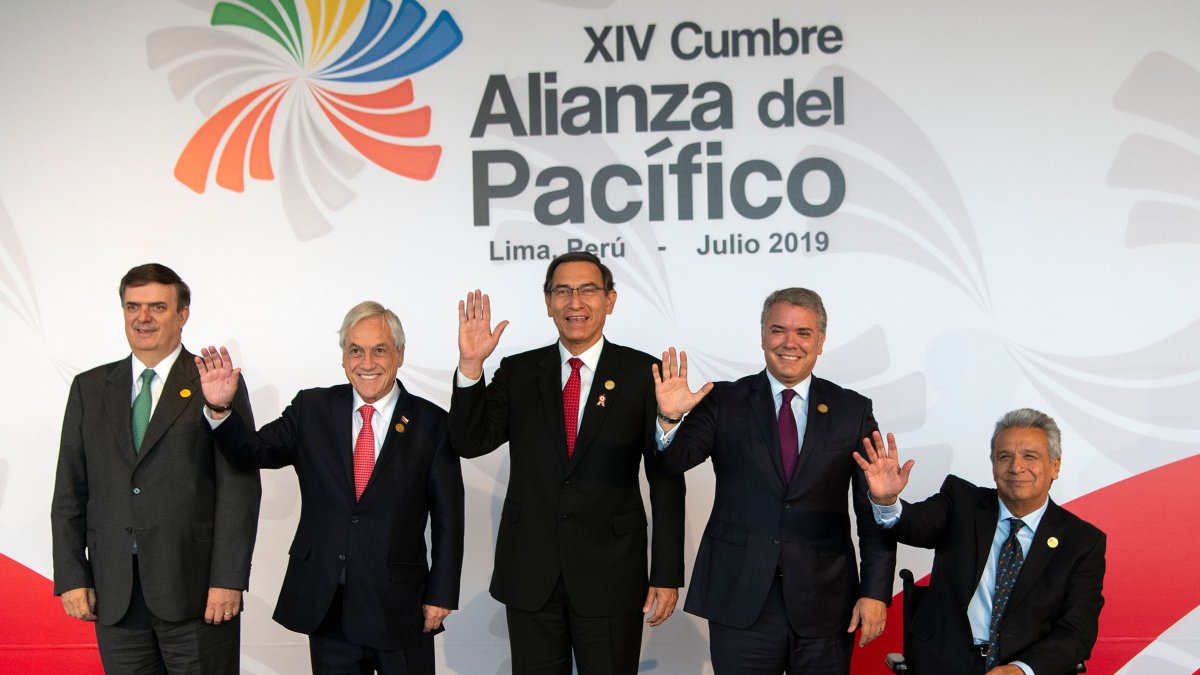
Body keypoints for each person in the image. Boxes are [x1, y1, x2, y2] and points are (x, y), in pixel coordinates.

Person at [196, 301, 464, 675]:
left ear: (400, 355)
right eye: (355, 350)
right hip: (327, 604)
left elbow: (450, 519)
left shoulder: (432, 422)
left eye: (379, 350)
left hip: (400, 607)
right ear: (343, 358)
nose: (366, 362)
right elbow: (251, 452)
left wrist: (441, 593)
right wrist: (221, 410)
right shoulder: (312, 408)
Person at [451, 251, 685, 674]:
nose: (575, 302)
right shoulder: (519, 372)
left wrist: (666, 572)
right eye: (563, 291)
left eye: (588, 290)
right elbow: (470, 442)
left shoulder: (641, 374)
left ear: (610, 300)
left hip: (612, 574)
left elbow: (666, 480)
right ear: (548, 302)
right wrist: (471, 366)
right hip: (531, 573)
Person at [653, 287, 895, 674]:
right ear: (763, 335)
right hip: (741, 597)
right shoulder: (724, 400)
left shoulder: (852, 410)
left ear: (820, 341)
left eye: (803, 333)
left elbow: (874, 508)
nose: (790, 343)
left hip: (825, 602)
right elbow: (672, 462)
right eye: (778, 330)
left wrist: (875, 591)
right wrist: (669, 420)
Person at [51, 263, 261, 673]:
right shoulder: (89, 389)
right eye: (133, 306)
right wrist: (73, 575)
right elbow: (69, 491)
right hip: (116, 596)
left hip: (197, 593)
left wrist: (229, 579)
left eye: (157, 307)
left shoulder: (213, 382)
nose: (142, 318)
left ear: (182, 315)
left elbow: (239, 487)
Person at [856, 409, 1106, 675]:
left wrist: (1022, 670)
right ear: (993, 465)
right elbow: (915, 523)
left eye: (1029, 456)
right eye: (1004, 457)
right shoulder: (962, 503)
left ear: (1055, 466)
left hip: (1023, 667)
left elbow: (1077, 630)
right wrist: (886, 501)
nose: (1016, 467)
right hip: (944, 663)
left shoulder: (1082, 542)